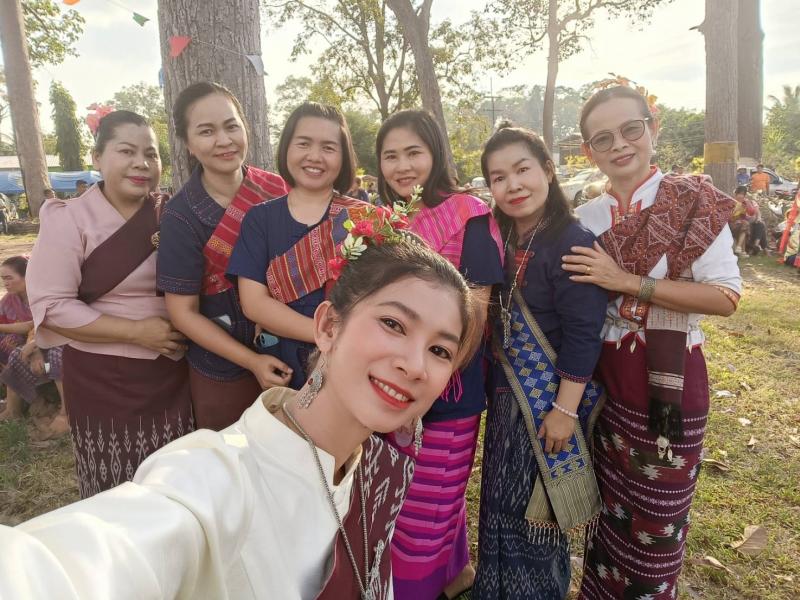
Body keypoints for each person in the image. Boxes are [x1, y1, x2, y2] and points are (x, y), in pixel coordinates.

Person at [0, 229, 475, 600]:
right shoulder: (214, 476)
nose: (416, 365)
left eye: (439, 350)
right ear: (329, 326)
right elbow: (83, 560)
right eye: (393, 324)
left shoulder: (382, 464)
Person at [564, 85, 741, 600]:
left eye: (630, 129)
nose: (620, 144)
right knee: (608, 509)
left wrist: (628, 282)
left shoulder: (693, 204)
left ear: (653, 127)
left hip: (669, 381)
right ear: (588, 151)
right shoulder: (584, 219)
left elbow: (726, 296)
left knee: (657, 522)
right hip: (603, 378)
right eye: (603, 138)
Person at [25, 110, 193, 498]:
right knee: (114, 489)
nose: (142, 163)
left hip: (172, 374)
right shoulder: (69, 219)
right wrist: (136, 332)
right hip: (101, 377)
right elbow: (52, 305)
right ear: (97, 157)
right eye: (127, 151)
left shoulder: (173, 214)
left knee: (175, 484)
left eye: (151, 154)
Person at [473, 123, 608, 599]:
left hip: (547, 401)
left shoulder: (571, 240)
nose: (513, 185)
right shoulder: (498, 235)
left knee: (536, 514)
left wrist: (564, 410)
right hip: (506, 397)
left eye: (522, 170)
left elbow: (583, 334)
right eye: (498, 178)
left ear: (548, 170)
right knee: (499, 502)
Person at [376, 108, 504, 600]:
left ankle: (416, 589)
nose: (402, 166)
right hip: (395, 381)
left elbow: (478, 312)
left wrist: (430, 385)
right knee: (406, 496)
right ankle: (455, 574)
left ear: (435, 154)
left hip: (449, 387)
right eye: (390, 156)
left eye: (414, 152)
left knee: (429, 502)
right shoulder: (389, 222)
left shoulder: (469, 215)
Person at [156, 82, 292, 431]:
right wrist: (252, 361)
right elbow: (183, 313)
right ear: (188, 144)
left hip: (291, 356)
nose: (224, 140)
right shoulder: (181, 217)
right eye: (207, 131)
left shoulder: (278, 191)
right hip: (222, 370)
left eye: (232, 126)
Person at [228, 102, 367, 390]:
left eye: (328, 147)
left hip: (347, 364)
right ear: (286, 148)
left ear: (344, 157)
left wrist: (340, 341)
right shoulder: (260, 219)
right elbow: (254, 303)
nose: (314, 156)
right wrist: (326, 335)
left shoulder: (364, 219)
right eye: (303, 143)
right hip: (283, 367)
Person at [0, 338, 69, 440]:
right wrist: (35, 350)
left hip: (78, 354)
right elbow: (38, 332)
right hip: (49, 354)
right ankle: (12, 410)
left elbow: (70, 334)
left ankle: (66, 414)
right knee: (18, 354)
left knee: (55, 355)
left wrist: (36, 343)